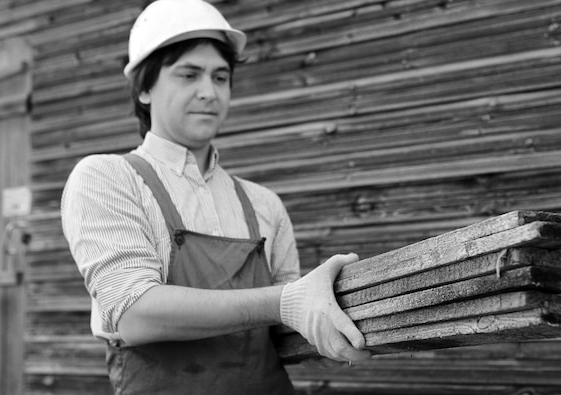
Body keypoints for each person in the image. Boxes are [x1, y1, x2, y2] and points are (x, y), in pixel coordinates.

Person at [60, 0, 371, 393]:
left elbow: (291, 319)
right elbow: (135, 314)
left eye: (220, 77)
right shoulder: (108, 179)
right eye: (188, 75)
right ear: (143, 88)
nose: (209, 91)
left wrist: (348, 325)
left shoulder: (264, 205)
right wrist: (286, 302)